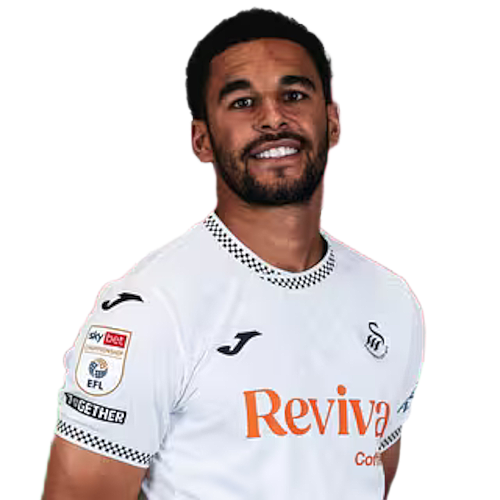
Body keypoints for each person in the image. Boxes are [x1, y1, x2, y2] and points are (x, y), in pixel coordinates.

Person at [41, 7, 426, 500]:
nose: (273, 119)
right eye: (243, 102)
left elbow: (373, 480)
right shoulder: (150, 308)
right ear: (200, 140)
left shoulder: (392, 302)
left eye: (293, 95)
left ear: (333, 121)